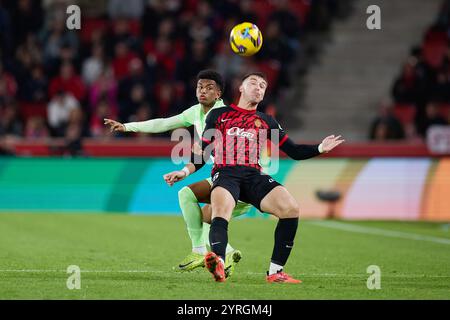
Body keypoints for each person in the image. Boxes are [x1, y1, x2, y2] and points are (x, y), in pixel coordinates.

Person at [163, 72, 344, 283]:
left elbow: (293, 151)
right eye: (253, 83)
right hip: (226, 173)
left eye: (263, 86)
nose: (259, 87)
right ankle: (219, 263)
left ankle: (276, 272)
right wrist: (183, 172)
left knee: (291, 208)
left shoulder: (267, 121)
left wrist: (321, 148)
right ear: (241, 88)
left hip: (253, 175)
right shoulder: (219, 114)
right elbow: (203, 152)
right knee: (220, 213)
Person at [104, 70, 250, 277]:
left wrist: (187, 167)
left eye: (209, 88)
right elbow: (164, 123)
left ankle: (199, 252)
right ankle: (228, 256)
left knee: (186, 195)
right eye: (200, 87)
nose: (203, 91)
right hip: (225, 179)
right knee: (204, 220)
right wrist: (127, 126)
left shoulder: (224, 115)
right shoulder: (195, 112)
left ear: (218, 94)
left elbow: (209, 151)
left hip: (242, 181)